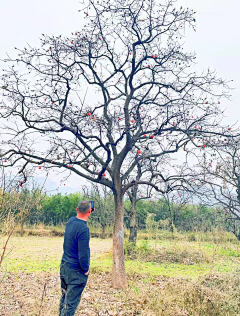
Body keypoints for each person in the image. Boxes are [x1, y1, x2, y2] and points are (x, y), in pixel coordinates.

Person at [59, 200, 93, 316]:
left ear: (77, 209)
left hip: (64, 266)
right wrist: (86, 269)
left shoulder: (71, 221)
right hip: (76, 271)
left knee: (64, 298)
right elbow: (83, 253)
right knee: (71, 304)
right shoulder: (84, 229)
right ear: (90, 211)